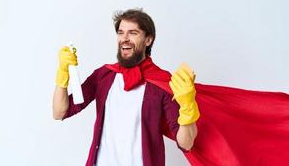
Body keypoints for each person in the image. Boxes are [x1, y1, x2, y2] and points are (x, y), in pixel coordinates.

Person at [52, 9, 200, 166]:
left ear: (148, 40)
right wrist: (63, 73)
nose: (125, 38)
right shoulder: (104, 75)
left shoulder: (163, 82)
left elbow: (186, 143)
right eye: (121, 32)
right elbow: (59, 112)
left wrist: (188, 106)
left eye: (133, 33)